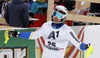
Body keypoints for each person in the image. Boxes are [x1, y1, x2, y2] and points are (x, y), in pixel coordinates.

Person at [7, 5, 93, 58]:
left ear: (63, 18)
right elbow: (34, 35)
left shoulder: (67, 30)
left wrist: (86, 46)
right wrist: (18, 34)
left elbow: (78, 44)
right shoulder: (47, 25)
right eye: (55, 14)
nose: (56, 17)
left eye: (59, 15)